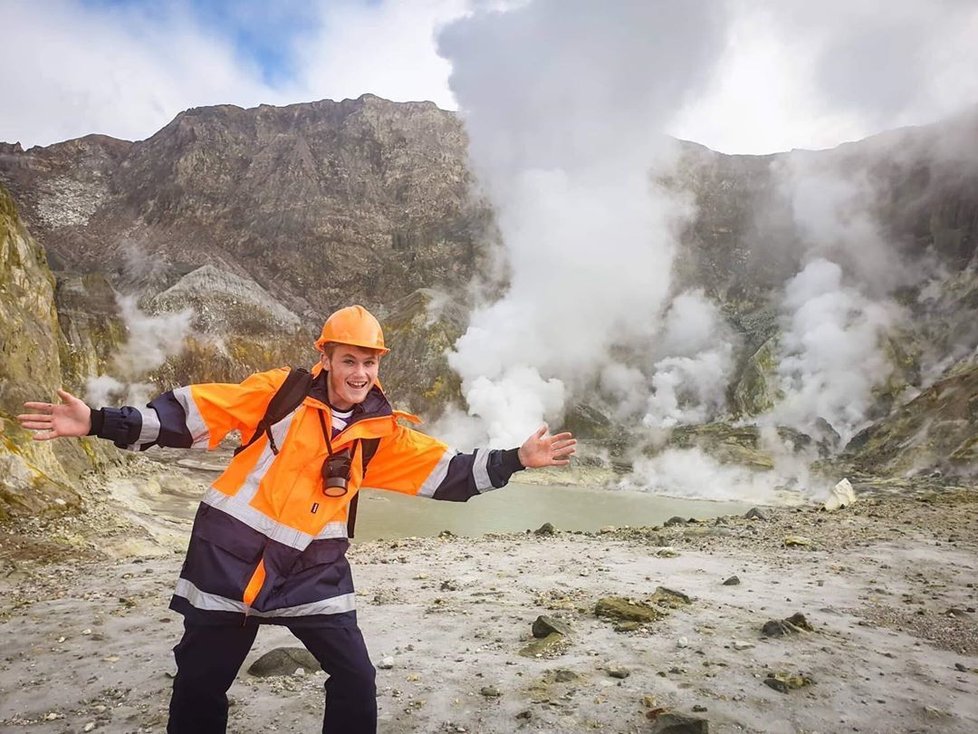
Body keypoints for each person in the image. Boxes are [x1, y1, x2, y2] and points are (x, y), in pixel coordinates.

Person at [17, 304, 576, 734]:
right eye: (349, 360)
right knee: (200, 684)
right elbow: (190, 415)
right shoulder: (279, 395)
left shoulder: (383, 434)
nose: (359, 373)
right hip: (229, 565)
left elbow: (447, 472)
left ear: (380, 364)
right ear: (326, 357)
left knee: (356, 677)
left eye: (370, 361)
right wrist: (97, 421)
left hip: (314, 573)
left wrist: (518, 460)